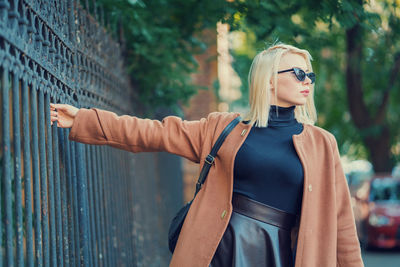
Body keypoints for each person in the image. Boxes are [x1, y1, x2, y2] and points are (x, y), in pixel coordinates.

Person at [49, 43, 364, 267]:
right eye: (298, 72)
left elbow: (342, 226)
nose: (307, 80)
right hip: (220, 247)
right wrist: (84, 119)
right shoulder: (224, 129)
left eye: (310, 75)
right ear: (268, 79)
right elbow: (154, 133)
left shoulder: (323, 144)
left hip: (280, 252)